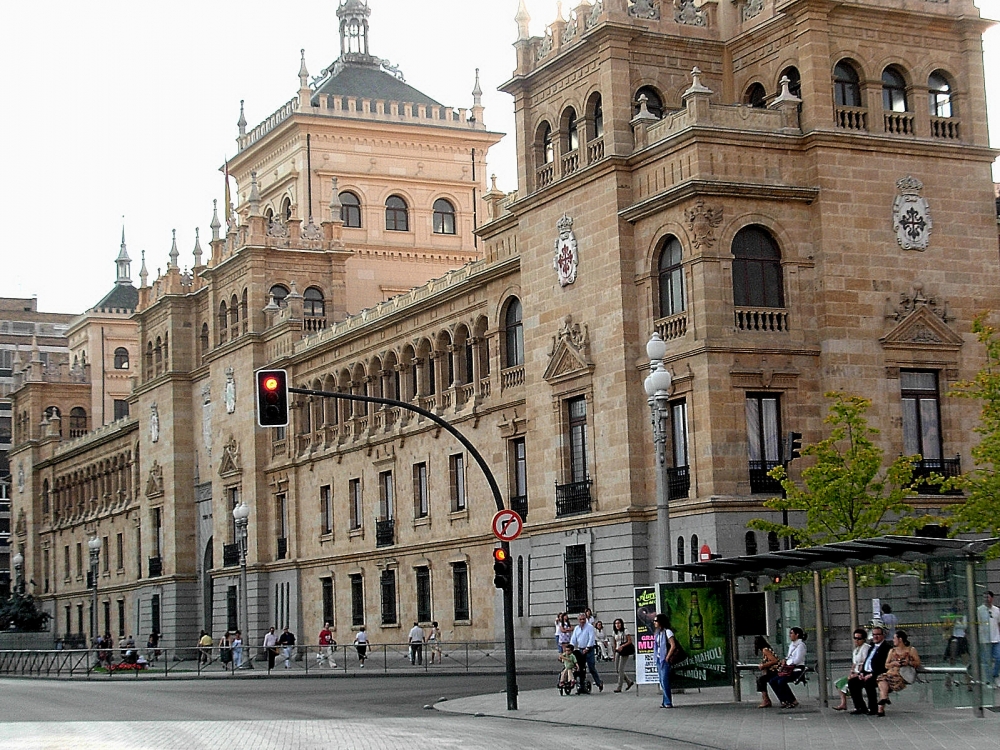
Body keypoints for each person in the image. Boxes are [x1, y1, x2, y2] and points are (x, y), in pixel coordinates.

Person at [875, 629, 921, 716]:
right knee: (881, 679)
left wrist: (908, 663)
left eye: (894, 638)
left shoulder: (911, 650)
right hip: (890, 674)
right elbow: (886, 665)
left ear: (900, 639)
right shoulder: (892, 651)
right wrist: (893, 663)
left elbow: (917, 663)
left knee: (883, 682)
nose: (893, 640)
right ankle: (883, 703)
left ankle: (882, 704)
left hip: (901, 676)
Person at [848, 625, 890, 715]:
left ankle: (873, 708)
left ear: (883, 635)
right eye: (874, 634)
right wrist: (862, 673)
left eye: (878, 634)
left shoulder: (886, 648)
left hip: (877, 674)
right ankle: (860, 707)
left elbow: (884, 665)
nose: (875, 636)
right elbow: (866, 661)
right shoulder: (872, 646)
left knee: (869, 683)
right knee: (852, 682)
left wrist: (871, 674)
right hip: (866, 672)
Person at [768, 627, 807, 709]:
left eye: (791, 633)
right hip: (789, 669)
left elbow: (797, 659)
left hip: (796, 669)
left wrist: (787, 662)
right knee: (772, 681)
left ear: (797, 635)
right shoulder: (792, 645)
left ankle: (791, 700)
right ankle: (783, 700)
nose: (790, 635)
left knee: (781, 681)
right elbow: (789, 656)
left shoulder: (801, 646)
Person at [833, 629, 870, 711]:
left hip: (862, 674)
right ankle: (844, 703)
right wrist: (851, 671)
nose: (856, 640)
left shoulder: (865, 648)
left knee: (852, 683)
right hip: (856, 672)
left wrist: (857, 674)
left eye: (859, 638)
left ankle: (860, 706)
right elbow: (854, 663)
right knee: (840, 683)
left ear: (863, 639)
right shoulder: (856, 649)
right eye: (855, 638)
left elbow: (864, 662)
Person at [570, 611, 605, 692]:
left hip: (589, 650)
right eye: (580, 619)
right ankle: (581, 685)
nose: (582, 621)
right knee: (580, 668)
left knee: (591, 667)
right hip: (580, 649)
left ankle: (598, 682)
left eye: (583, 619)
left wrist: (588, 648)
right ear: (578, 620)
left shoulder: (589, 627)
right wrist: (570, 647)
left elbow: (591, 638)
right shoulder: (576, 628)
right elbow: (573, 639)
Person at [943, 599, 970, 691]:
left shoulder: (965, 616)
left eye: (962, 604)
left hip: (962, 639)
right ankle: (948, 682)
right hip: (954, 638)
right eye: (959, 603)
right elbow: (945, 627)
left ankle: (969, 683)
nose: (961, 605)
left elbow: (965, 629)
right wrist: (953, 619)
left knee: (966, 661)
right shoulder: (951, 615)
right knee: (952, 661)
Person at [653, 613, 677, 708]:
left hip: (665, 658)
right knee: (661, 680)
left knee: (665, 680)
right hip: (659, 658)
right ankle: (664, 701)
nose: (654, 623)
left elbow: (673, 645)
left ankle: (668, 702)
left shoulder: (668, 632)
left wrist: (667, 657)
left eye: (656, 621)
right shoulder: (658, 632)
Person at [977, 590, 1000, 688]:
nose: (986, 599)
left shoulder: (997, 610)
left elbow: (998, 623)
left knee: (998, 658)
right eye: (984, 597)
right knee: (987, 661)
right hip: (985, 639)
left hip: (996, 638)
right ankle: (989, 680)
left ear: (992, 598)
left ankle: (995, 674)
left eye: (988, 597)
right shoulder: (980, 610)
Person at [753, 635, 780, 708]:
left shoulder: (765, 650)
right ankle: (765, 699)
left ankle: (766, 699)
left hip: (774, 671)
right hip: (773, 671)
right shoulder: (767, 649)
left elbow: (774, 660)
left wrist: (763, 665)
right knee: (761, 680)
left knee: (761, 680)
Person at [611, 618, 635, 692]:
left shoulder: (625, 631)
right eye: (616, 623)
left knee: (621, 669)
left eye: (619, 623)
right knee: (617, 669)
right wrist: (614, 654)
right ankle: (629, 682)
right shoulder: (614, 632)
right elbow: (614, 643)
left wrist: (623, 646)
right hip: (618, 650)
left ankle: (619, 687)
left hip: (624, 650)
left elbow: (630, 641)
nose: (617, 625)